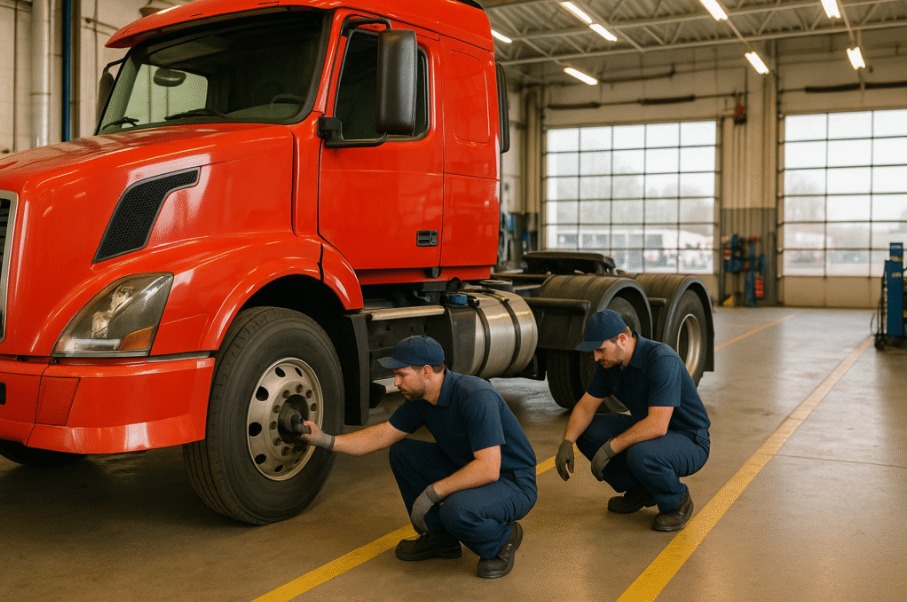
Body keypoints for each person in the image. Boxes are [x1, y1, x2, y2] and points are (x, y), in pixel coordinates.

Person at [299, 335, 537, 579]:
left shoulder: (475, 395)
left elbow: (488, 468)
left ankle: (501, 539)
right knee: (403, 453)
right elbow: (381, 435)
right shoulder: (422, 399)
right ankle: (441, 538)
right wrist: (324, 439)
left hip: (512, 481)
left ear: (425, 372)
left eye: (402, 374)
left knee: (456, 511)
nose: (396, 381)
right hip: (467, 465)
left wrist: (434, 492)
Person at [554, 309, 710, 532]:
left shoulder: (661, 359)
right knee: (587, 432)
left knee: (642, 453)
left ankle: (677, 502)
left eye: (600, 350)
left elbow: (657, 424)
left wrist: (610, 448)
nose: (596, 357)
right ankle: (640, 490)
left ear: (622, 339)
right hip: (649, 431)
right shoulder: (610, 364)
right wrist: (567, 442)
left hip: (689, 439)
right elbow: (586, 405)